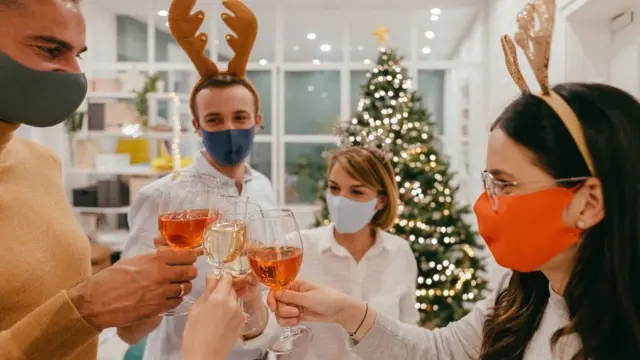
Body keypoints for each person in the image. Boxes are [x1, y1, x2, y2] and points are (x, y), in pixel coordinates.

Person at [265, 30, 640, 360]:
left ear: (588, 203)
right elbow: (440, 352)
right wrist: (345, 311)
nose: (485, 205)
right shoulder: (520, 294)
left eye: (505, 184)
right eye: (488, 182)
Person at [0, 1, 207, 359]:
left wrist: (131, 294)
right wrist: (87, 308)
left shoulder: (41, 162)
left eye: (78, 54)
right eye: (50, 49)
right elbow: (75, 312)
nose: (73, 73)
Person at [117, 1, 277, 358]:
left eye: (239, 117)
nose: (229, 129)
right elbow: (128, 330)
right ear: (197, 126)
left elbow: (266, 292)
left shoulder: (263, 188)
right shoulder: (163, 198)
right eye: (215, 120)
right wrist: (156, 286)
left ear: (257, 120)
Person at [273, 147, 419, 359]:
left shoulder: (399, 252)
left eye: (357, 192)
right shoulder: (297, 247)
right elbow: (269, 327)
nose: (341, 200)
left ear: (381, 201)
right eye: (334, 188)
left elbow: (409, 331)